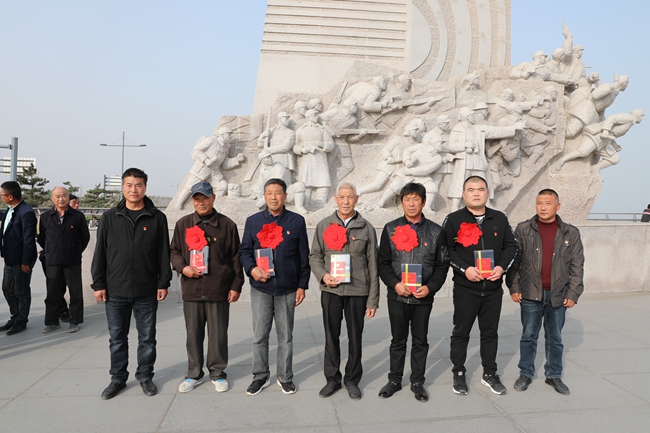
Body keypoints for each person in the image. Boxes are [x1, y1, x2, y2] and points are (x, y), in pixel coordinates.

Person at [91, 168, 172, 400]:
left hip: (147, 289)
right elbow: (100, 252)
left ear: (145, 187)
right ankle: (117, 379)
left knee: (147, 338)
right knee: (117, 339)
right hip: (115, 289)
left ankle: (145, 376)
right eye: (129, 185)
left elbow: (163, 253)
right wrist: (98, 283)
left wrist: (163, 282)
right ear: (123, 187)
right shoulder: (110, 217)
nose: (133, 189)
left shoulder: (157, 217)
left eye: (138, 185)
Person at [442, 176, 518, 395]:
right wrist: (465, 269)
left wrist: (501, 267)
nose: (476, 193)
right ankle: (459, 372)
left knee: (490, 333)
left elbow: (511, 246)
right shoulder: (453, 219)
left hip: (492, 289)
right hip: (466, 288)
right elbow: (446, 250)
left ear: (488, 193)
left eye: (480, 189)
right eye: (471, 189)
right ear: (463, 194)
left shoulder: (499, 218)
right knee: (461, 332)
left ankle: (489, 374)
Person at [377, 182, 449, 402]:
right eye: (407, 199)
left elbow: (442, 266)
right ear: (401, 202)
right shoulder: (390, 229)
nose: (411, 203)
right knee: (397, 341)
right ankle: (394, 380)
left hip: (422, 297)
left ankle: (417, 381)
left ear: (423, 202)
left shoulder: (436, 232)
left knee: (420, 340)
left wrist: (430, 287)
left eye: (415, 199)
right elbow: (383, 263)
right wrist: (394, 284)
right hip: (397, 295)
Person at [170, 182, 244, 393]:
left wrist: (236, 285)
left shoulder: (227, 225)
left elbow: (236, 257)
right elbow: (174, 251)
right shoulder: (183, 224)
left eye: (205, 198)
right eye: (197, 198)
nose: (201, 202)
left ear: (213, 198)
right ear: (192, 200)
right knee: (193, 334)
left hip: (218, 288)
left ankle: (217, 372)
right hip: (192, 289)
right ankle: (194, 373)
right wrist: (183, 268)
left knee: (218, 334)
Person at [507, 189, 583, 395]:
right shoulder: (523, 229)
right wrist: (514, 287)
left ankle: (554, 375)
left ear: (557, 206)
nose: (543, 207)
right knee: (528, 336)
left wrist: (573, 293)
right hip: (530, 293)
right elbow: (514, 261)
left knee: (555, 338)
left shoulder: (570, 232)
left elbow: (577, 266)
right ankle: (525, 373)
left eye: (548, 203)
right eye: (539, 203)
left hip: (558, 295)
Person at [239, 178, 311, 396]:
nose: (273, 197)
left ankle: (285, 377)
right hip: (261, 289)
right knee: (259, 336)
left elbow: (303, 256)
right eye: (269, 193)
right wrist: (252, 269)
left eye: (278, 192)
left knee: (285, 337)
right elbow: (244, 252)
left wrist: (302, 285)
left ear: (285, 196)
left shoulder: (296, 221)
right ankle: (260, 376)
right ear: (264, 196)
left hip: (287, 289)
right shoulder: (253, 222)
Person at [309, 182, 379, 400]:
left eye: (350, 197)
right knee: (331, 336)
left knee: (355, 337)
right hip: (331, 291)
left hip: (358, 291)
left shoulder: (366, 228)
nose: (346, 201)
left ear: (356, 199)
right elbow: (315, 256)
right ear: (335, 199)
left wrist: (372, 300)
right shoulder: (324, 225)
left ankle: (352, 380)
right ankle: (332, 379)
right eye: (342, 197)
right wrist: (323, 275)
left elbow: (373, 265)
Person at [37, 187, 90, 333]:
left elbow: (85, 237)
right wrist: (50, 249)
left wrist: (75, 251)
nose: (61, 199)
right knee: (52, 293)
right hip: (52, 260)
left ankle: (75, 321)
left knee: (75, 292)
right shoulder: (46, 216)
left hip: (72, 260)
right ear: (52, 199)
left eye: (64, 196)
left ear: (68, 197)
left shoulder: (78, 216)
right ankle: (52, 322)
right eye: (57, 196)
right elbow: (41, 238)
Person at [0, 181, 37, 335]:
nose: (1, 197)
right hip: (10, 257)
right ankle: (15, 316)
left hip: (21, 259)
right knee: (7, 288)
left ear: (10, 197)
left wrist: (26, 262)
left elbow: (29, 239)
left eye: (2, 194)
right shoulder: (11, 209)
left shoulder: (26, 212)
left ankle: (21, 321)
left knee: (21, 291)